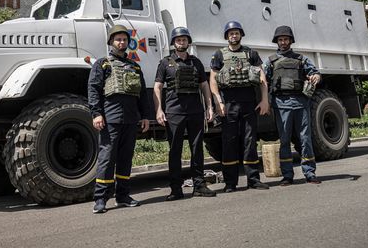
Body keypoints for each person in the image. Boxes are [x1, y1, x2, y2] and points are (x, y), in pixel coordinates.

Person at [88, 24, 151, 214]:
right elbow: (93, 90)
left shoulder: (134, 66)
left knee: (125, 159)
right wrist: (96, 113)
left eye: (124, 39)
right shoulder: (102, 64)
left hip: (131, 120)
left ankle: (123, 196)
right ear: (111, 42)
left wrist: (145, 116)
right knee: (107, 158)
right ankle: (101, 199)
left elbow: (142, 95)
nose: (121, 42)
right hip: (111, 119)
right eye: (118, 39)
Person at [153, 27, 217, 201]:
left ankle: (199, 185)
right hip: (174, 111)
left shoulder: (195, 62)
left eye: (184, 40)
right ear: (174, 43)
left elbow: (204, 86)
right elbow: (158, 87)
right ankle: (176, 189)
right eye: (178, 40)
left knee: (197, 148)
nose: (181, 42)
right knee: (175, 150)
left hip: (195, 110)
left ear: (188, 42)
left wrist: (209, 107)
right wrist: (159, 109)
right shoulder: (165, 63)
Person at [210, 20, 271, 192]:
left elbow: (262, 78)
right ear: (227, 37)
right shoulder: (219, 55)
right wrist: (218, 102)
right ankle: (230, 183)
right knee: (229, 142)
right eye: (231, 34)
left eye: (236, 33)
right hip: (228, 104)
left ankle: (253, 179)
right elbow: (213, 80)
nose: (234, 36)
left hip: (249, 103)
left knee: (249, 141)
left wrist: (265, 100)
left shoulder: (251, 53)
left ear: (241, 35)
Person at [263, 25, 322, 185]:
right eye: (280, 39)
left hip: (301, 103)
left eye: (286, 39)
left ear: (290, 40)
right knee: (284, 140)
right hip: (281, 105)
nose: (283, 42)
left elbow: (314, 72)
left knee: (305, 139)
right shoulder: (270, 61)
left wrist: (315, 76)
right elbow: (263, 81)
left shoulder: (301, 59)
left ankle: (310, 173)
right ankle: (287, 175)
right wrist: (265, 102)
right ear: (277, 41)